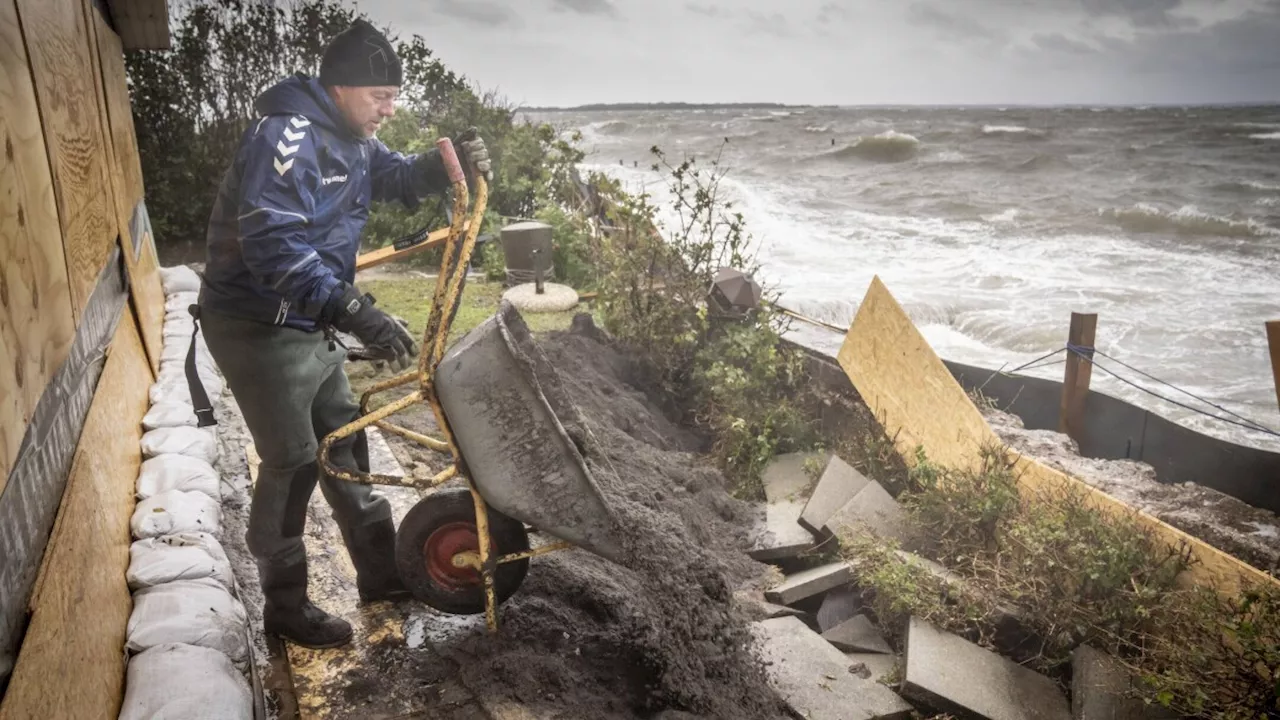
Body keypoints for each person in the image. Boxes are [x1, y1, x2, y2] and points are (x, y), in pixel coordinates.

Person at [193, 19, 492, 649]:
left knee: (346, 438)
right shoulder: (289, 138)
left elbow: (396, 178)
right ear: (340, 87)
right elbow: (273, 245)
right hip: (256, 324)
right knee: (294, 460)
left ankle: (382, 573)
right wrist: (356, 310)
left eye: (393, 95)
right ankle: (286, 606)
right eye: (380, 96)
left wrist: (447, 168)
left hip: (310, 315)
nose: (390, 107)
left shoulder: (352, 137)